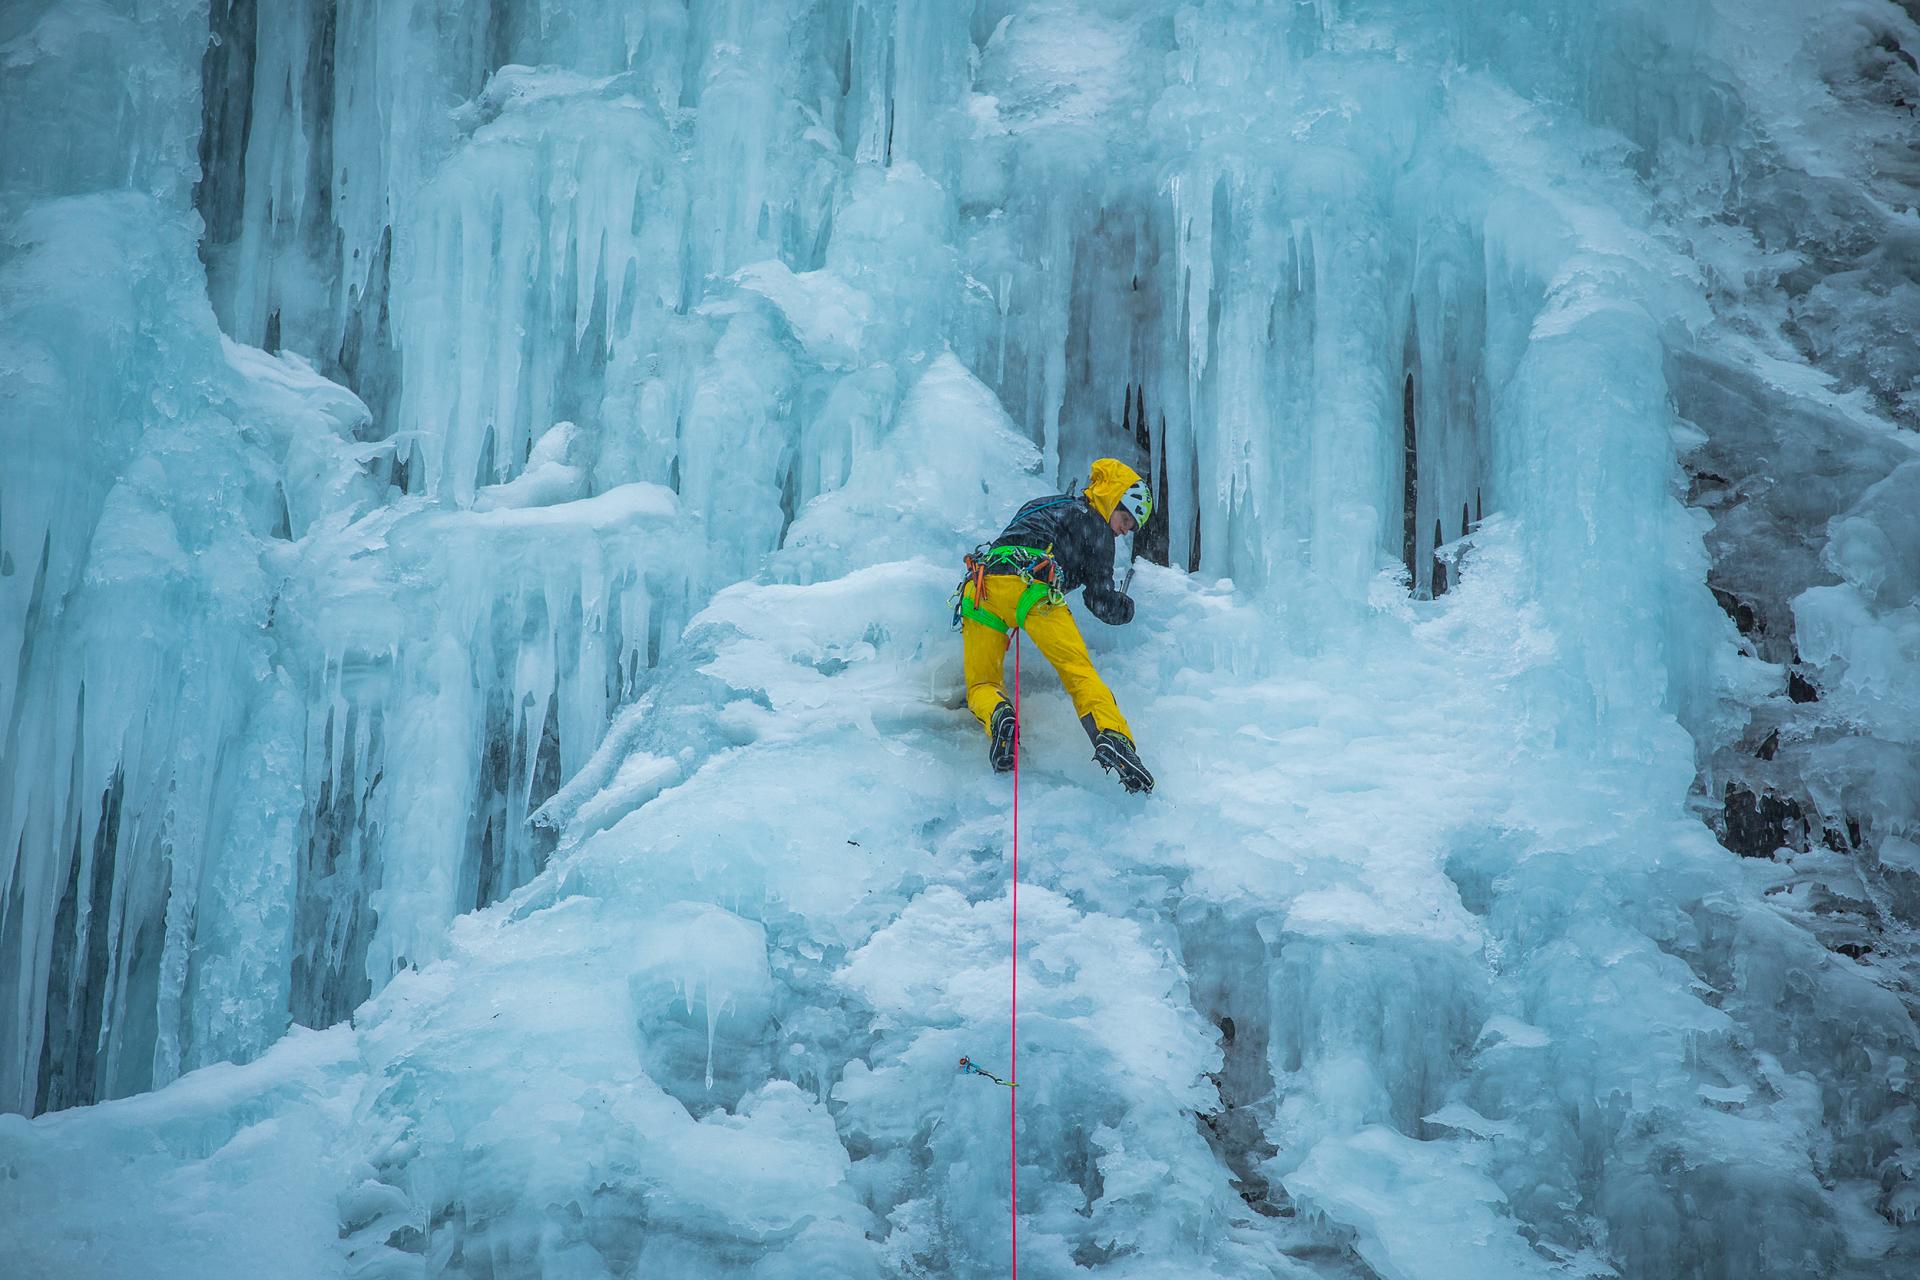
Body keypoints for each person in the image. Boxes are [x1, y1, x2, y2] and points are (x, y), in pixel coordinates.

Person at [953, 458, 1155, 793]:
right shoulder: (1097, 527)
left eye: (1131, 527)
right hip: (1032, 588)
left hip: (981, 588)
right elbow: (1099, 602)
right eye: (1125, 519)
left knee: (982, 684)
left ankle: (1000, 716)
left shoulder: (1044, 504)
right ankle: (1114, 737)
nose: (1124, 530)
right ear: (1113, 498)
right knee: (1079, 673)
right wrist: (1125, 607)